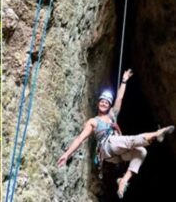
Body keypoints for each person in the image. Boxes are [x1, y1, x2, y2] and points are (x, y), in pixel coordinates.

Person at [57, 69, 174, 199]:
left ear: (109, 106)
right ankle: (158, 133)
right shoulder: (93, 121)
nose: (104, 103)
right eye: (102, 101)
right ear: (98, 103)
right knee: (130, 140)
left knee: (141, 152)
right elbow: (80, 139)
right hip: (107, 146)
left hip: (116, 156)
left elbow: (119, 97)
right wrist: (67, 154)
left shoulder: (112, 115)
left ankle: (123, 180)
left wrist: (124, 80)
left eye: (107, 102)